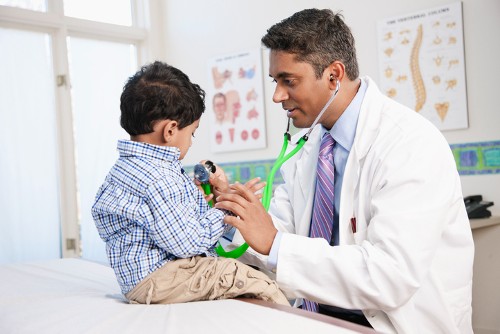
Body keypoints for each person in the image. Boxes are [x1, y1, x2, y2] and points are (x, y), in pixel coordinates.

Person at [214, 9, 474, 333]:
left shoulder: (410, 144)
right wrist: (228, 218)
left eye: (288, 81)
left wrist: (274, 242)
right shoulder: (309, 149)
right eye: (275, 81)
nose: (277, 95)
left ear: (334, 76)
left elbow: (389, 276)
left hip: (395, 325)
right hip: (318, 318)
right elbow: (277, 231)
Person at [91, 61, 288, 306]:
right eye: (192, 133)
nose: (192, 142)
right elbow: (188, 243)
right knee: (255, 280)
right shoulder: (161, 177)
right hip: (165, 277)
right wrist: (228, 208)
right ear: (171, 130)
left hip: (138, 281)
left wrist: (202, 207)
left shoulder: (123, 170)